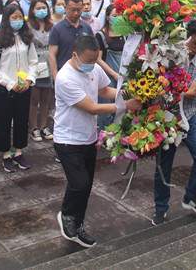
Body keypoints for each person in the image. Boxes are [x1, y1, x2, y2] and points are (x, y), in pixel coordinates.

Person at [54, 35, 141, 248]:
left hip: (88, 137)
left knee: (86, 186)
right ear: (75, 55)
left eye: (95, 60)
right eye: (88, 60)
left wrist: (126, 94)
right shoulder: (65, 78)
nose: (92, 64)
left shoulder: (93, 68)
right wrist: (125, 105)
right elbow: (91, 107)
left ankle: (78, 224)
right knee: (79, 183)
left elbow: (103, 90)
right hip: (68, 139)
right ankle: (66, 215)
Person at [152, 20, 196, 226]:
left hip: (188, 116)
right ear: (185, 38)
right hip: (167, 118)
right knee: (163, 166)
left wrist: (170, 86)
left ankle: (191, 196)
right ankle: (160, 208)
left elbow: (192, 93)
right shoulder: (171, 57)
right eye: (194, 43)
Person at [0, 3, 38, 172]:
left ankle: (19, 151)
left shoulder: (27, 38)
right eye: (14, 18)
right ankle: (5, 154)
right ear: (7, 19)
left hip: (24, 87)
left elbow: (33, 61)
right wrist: (10, 83)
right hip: (5, 87)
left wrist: (29, 80)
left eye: (20, 17)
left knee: (21, 120)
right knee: (3, 121)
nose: (18, 20)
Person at [49, 0, 92, 83]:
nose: (75, 13)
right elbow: (52, 55)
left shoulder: (86, 28)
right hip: (64, 75)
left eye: (78, 10)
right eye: (72, 10)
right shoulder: (57, 29)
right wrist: (56, 77)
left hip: (84, 74)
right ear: (65, 8)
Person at [28, 0, 54, 142]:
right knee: (34, 98)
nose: (41, 10)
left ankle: (44, 126)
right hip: (35, 62)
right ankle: (34, 128)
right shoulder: (28, 26)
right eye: (38, 8)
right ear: (32, 10)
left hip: (48, 63)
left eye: (44, 7)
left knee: (45, 98)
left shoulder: (51, 25)